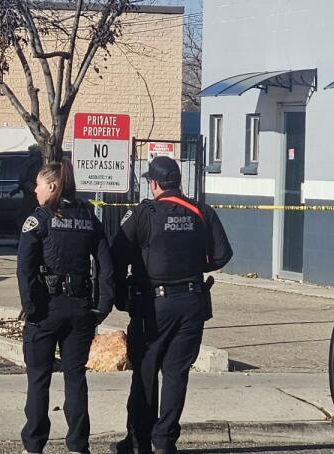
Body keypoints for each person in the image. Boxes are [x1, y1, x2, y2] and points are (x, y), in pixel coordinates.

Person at [111, 156, 233, 454]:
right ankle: (164, 441)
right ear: (178, 182)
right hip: (191, 303)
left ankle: (139, 441)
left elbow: (117, 255)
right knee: (176, 374)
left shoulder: (142, 213)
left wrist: (120, 295)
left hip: (153, 305)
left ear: (153, 183)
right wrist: (194, 265)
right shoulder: (201, 211)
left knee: (145, 372)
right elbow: (222, 255)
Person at [17, 159, 114, 454]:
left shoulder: (39, 219)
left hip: (46, 310)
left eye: (38, 184)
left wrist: (31, 308)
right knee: (75, 378)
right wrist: (102, 306)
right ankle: (78, 445)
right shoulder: (88, 218)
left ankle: (34, 445)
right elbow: (106, 265)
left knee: (39, 378)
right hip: (80, 309)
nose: (34, 190)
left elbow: (25, 269)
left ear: (52, 186)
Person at [16, 144, 44, 223]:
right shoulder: (42, 161)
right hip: (38, 190)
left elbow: (22, 177)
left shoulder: (29, 162)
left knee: (25, 214)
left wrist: (22, 186)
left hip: (31, 191)